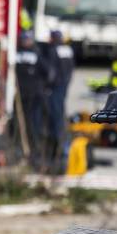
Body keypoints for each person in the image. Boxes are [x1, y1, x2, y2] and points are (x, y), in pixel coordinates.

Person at [16, 30, 49, 171]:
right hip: (20, 96)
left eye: (27, 39)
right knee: (21, 126)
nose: (25, 42)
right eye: (24, 39)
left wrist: (42, 88)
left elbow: (47, 72)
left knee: (34, 126)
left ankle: (35, 154)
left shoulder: (36, 54)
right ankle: (23, 152)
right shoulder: (16, 54)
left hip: (34, 96)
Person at [43, 30, 74, 173]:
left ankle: (57, 151)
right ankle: (62, 148)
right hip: (63, 87)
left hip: (55, 88)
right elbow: (70, 70)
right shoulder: (68, 50)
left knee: (54, 120)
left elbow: (51, 72)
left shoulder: (53, 50)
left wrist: (47, 87)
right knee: (60, 117)